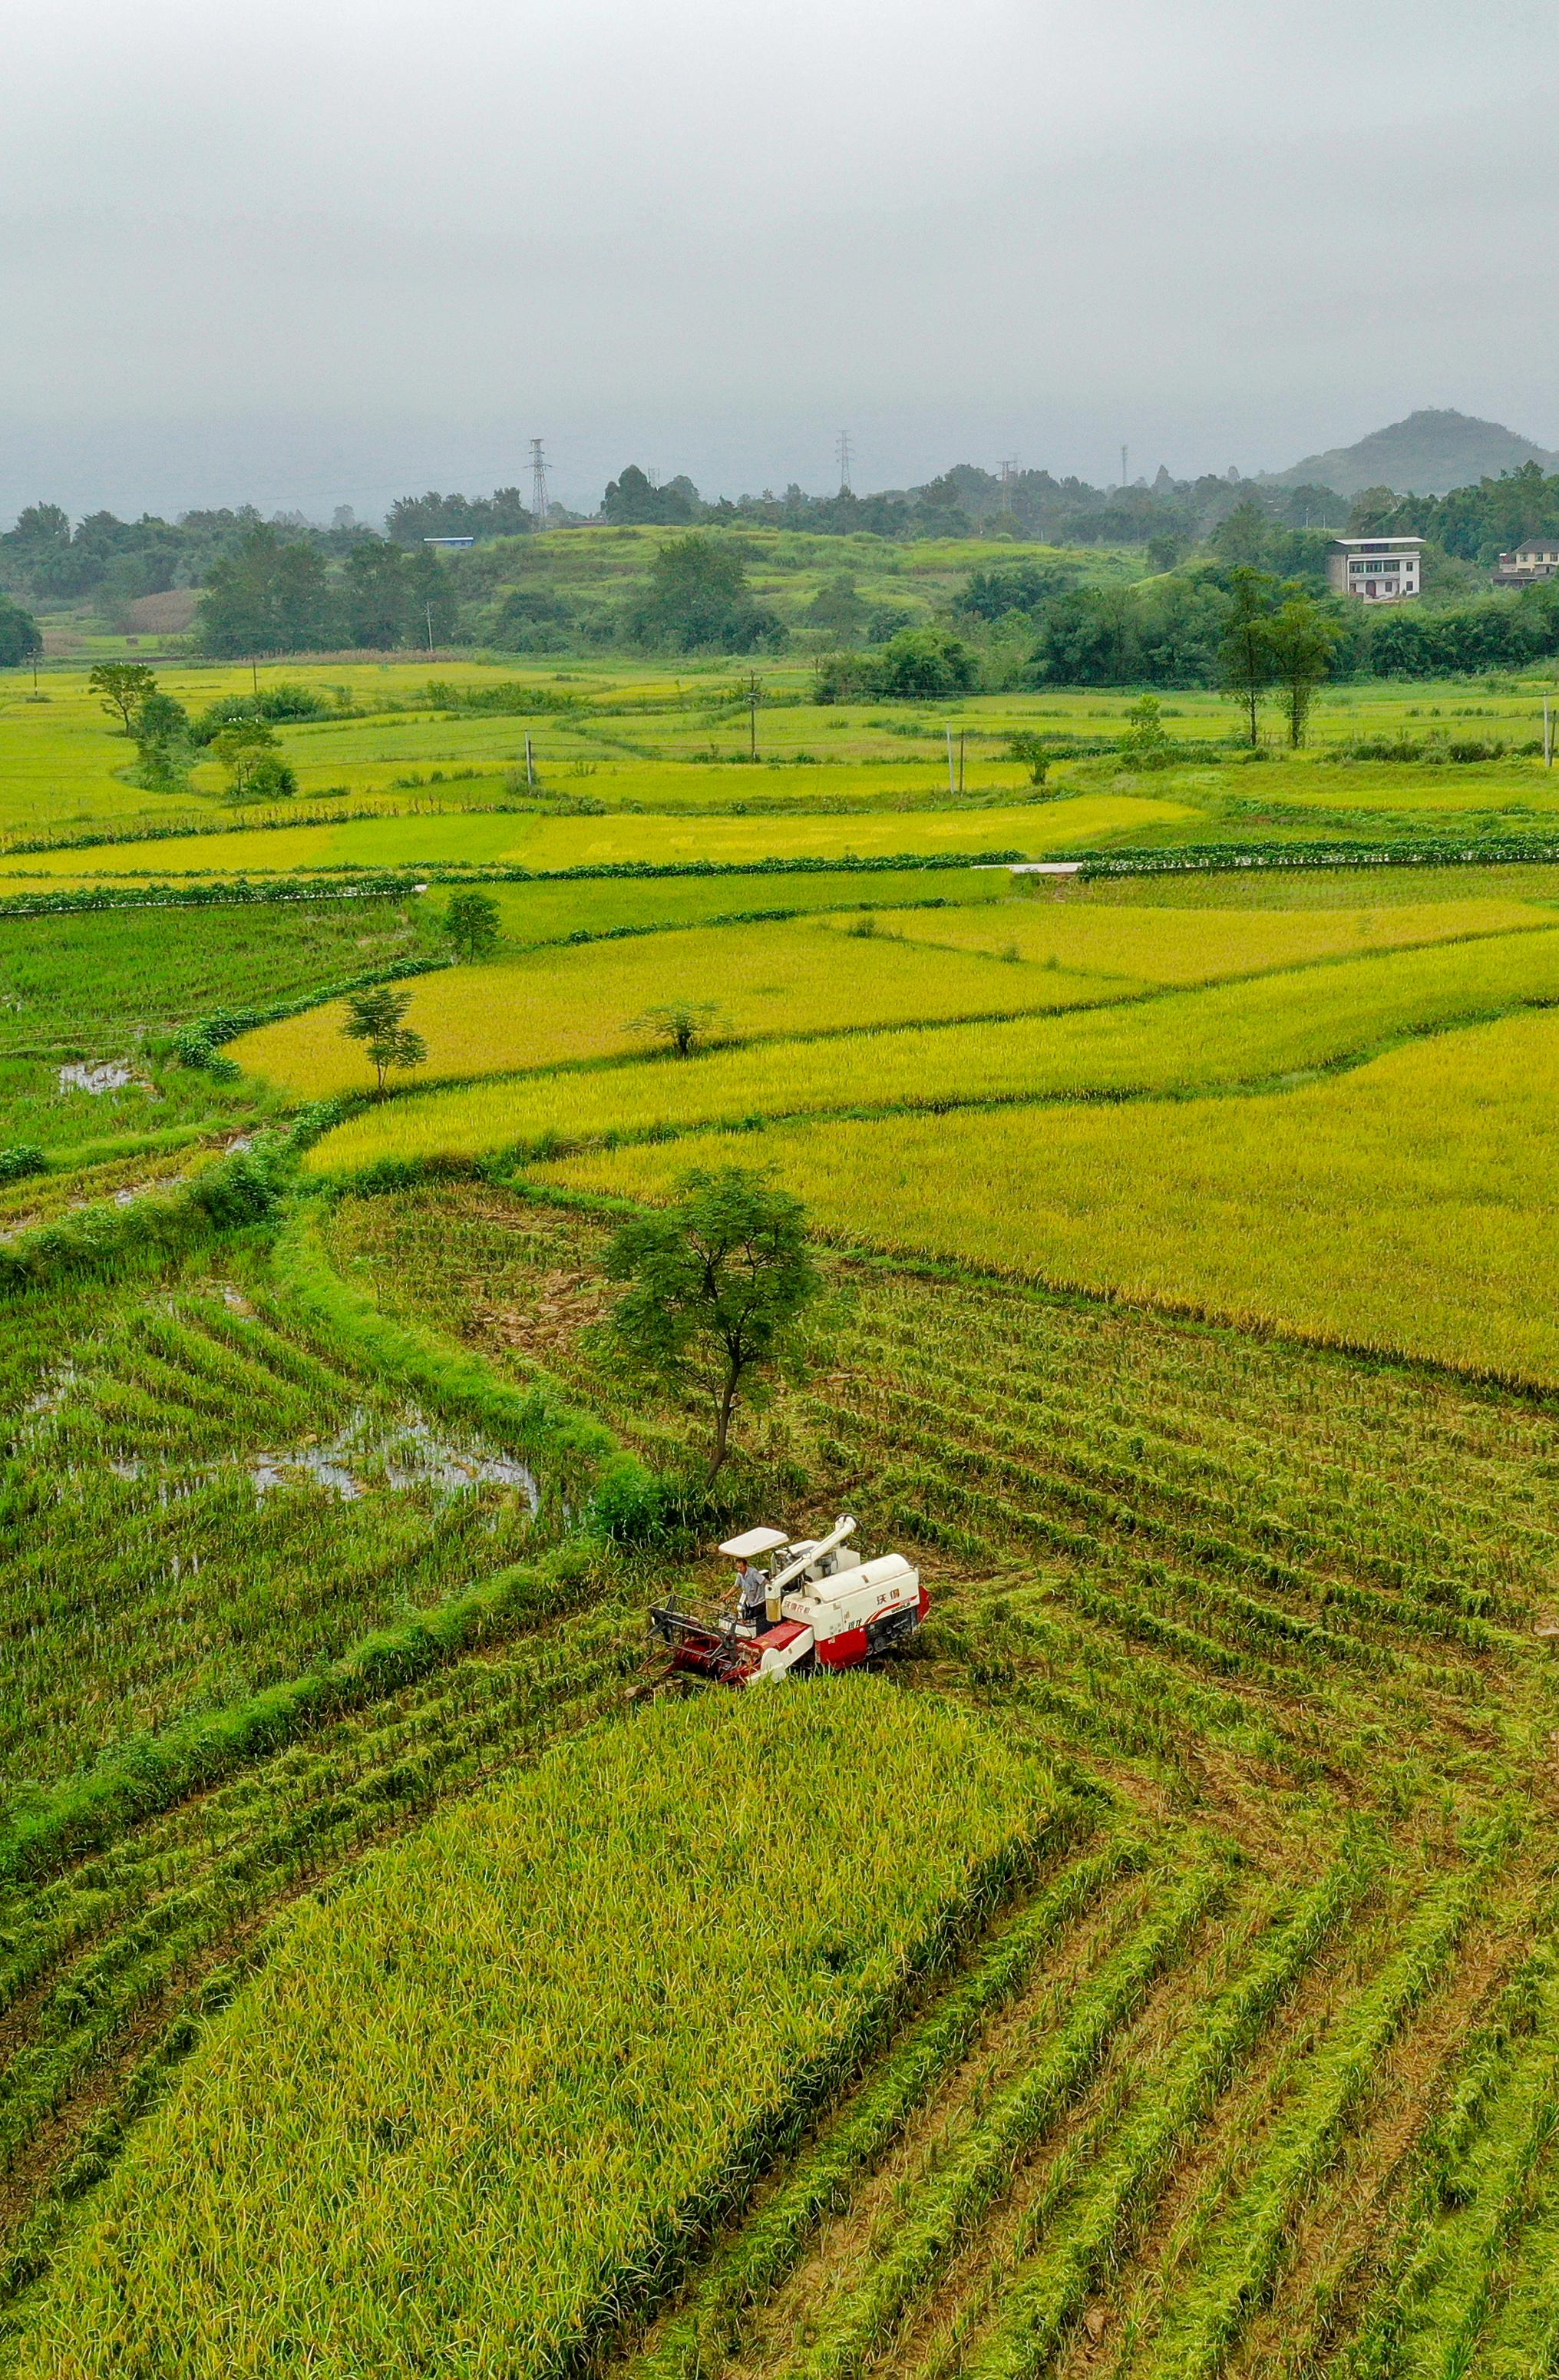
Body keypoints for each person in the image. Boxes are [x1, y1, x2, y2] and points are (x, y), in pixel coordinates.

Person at [736, 1560, 769, 1633]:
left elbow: (764, 1581)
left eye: (741, 1568)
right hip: (750, 1601)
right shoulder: (739, 1575)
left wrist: (772, 1589)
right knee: (748, 1617)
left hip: (759, 1600)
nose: (739, 1570)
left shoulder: (753, 1573)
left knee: (758, 1619)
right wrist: (727, 1595)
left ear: (745, 1566)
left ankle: (761, 1633)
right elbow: (736, 1586)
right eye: (737, 1568)